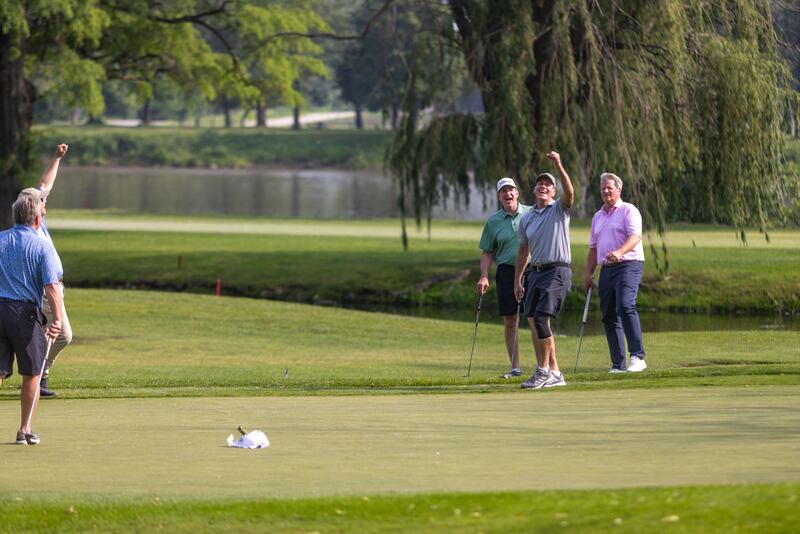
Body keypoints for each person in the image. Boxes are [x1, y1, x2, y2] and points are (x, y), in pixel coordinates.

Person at [0, 193, 63, 445]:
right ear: (37, 217)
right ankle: (24, 430)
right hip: (24, 314)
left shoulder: (1, 239)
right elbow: (52, 287)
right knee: (33, 372)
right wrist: (57, 319)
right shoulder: (41, 246)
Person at [514, 151, 574, 389]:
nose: (543, 186)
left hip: (557, 270)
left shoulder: (560, 209)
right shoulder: (527, 218)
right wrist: (518, 280)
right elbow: (522, 252)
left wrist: (559, 164)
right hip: (535, 272)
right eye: (540, 183)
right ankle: (555, 373)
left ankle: (543, 371)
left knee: (541, 319)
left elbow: (570, 192)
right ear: (534, 190)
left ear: (553, 192)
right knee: (533, 320)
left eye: (548, 185)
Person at [18, 143, 72, 397]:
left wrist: (56, 158)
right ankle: (37, 377)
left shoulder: (38, 219)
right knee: (62, 334)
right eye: (42, 202)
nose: (45, 203)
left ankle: (39, 376)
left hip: (55, 286)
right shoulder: (32, 231)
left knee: (55, 335)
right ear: (33, 208)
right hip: (45, 288)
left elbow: (45, 184)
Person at [584, 173, 647, 372]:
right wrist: (588, 273)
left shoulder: (629, 210)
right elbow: (593, 248)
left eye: (609, 187)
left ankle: (638, 357)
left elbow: (635, 237)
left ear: (619, 190)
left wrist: (619, 252)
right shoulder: (598, 216)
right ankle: (618, 364)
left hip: (628, 264)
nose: (605, 191)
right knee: (609, 314)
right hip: (606, 269)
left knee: (625, 305)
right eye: (603, 188)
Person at [477, 177, 531, 378]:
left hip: (532, 270)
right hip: (506, 272)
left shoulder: (531, 212)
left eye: (511, 190)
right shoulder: (493, 222)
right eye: (503, 191)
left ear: (517, 193)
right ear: (499, 196)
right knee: (510, 320)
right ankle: (515, 367)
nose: (508, 194)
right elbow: (487, 252)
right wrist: (484, 276)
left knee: (538, 318)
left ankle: (546, 366)